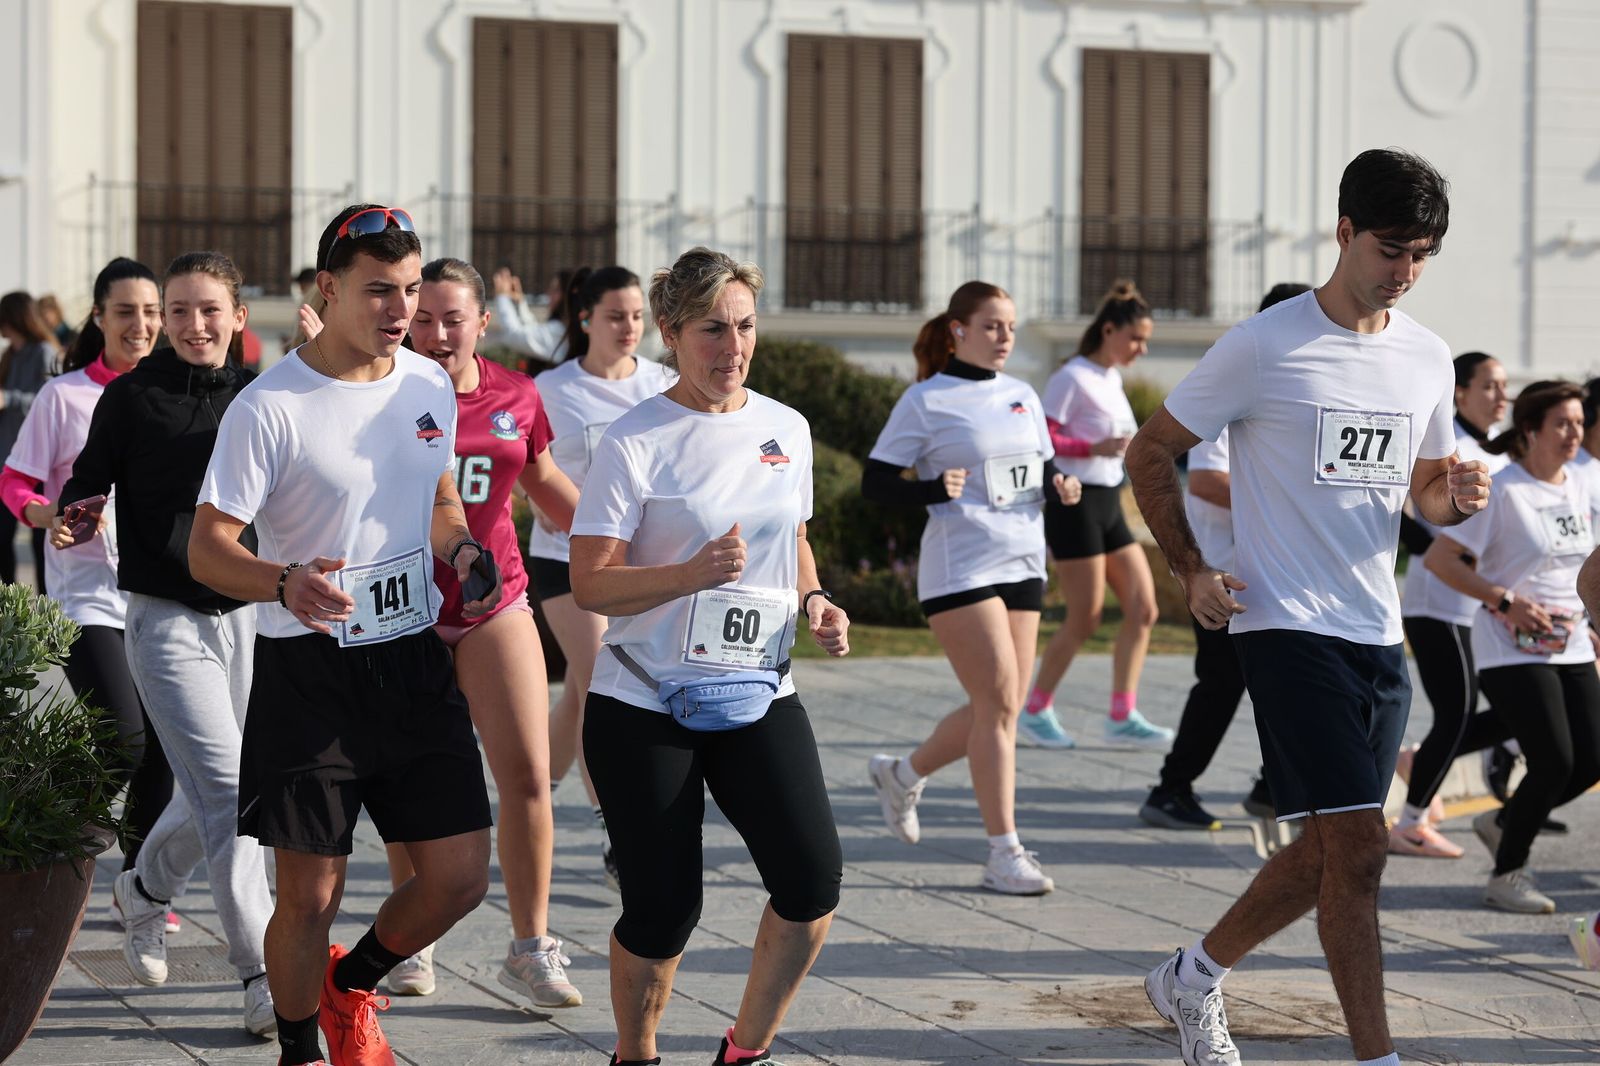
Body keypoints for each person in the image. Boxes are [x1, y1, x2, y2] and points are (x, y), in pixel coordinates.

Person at [1126, 148, 1485, 1066]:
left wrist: (1459, 498)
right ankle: (1378, 1058)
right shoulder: (1265, 344)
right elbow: (1150, 450)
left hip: (1378, 630)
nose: (1404, 271)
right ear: (1344, 234)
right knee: (1361, 851)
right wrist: (1189, 569)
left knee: (1330, 850)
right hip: (1284, 623)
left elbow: (1425, 493)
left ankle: (1192, 975)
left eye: (1422, 255)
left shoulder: (1426, 357)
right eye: (1390, 248)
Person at [189, 204, 498, 1066]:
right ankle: (299, 1049)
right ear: (328, 290)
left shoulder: (429, 384)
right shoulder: (271, 406)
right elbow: (208, 549)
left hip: (411, 658)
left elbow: (440, 500)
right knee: (310, 896)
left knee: (460, 877)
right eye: (379, 292)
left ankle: (349, 984)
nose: (401, 311)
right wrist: (285, 581)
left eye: (410, 290)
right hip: (308, 669)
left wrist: (463, 547)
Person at [569, 246, 849, 1066]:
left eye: (745, 327)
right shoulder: (635, 440)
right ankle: (637, 1054)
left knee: (811, 883)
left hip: (759, 688)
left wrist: (815, 598)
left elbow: (790, 541)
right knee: (663, 912)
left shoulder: (783, 428)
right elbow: (590, 583)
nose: (733, 348)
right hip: (644, 704)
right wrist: (689, 574)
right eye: (712, 331)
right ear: (671, 333)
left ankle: (746, 1052)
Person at [55, 252, 273, 1034]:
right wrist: (76, 512)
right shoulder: (129, 398)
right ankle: (263, 973)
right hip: (163, 620)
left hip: (249, 617)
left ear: (239, 318)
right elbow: (86, 480)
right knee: (231, 793)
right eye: (177, 311)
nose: (191, 325)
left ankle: (143, 891)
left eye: (208, 309)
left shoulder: (264, 395)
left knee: (229, 786)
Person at [374, 256, 584, 1006]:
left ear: (483, 323)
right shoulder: (379, 394)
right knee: (407, 786)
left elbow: (548, 485)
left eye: (451, 318)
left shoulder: (517, 396)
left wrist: (621, 545)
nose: (435, 333)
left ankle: (531, 946)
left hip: (493, 600)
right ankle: (412, 937)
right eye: (421, 317)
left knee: (527, 774)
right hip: (402, 611)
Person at [861, 280, 1082, 894]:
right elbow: (876, 482)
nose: (1004, 337)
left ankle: (902, 774)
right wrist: (931, 490)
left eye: (1009, 327)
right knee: (1002, 700)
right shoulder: (927, 400)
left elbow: (1039, 466)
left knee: (1001, 705)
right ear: (958, 330)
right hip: (961, 567)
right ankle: (1003, 852)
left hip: (1022, 562)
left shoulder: (1022, 395)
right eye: (991, 326)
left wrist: (1061, 483)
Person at [0, 258, 176, 900]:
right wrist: (48, 515)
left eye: (152, 311)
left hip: (158, 592)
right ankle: (45, 835)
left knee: (160, 747)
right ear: (98, 317)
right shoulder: (64, 394)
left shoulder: (175, 391)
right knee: (125, 739)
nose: (142, 324)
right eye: (126, 312)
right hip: (85, 596)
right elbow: (15, 479)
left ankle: (139, 886)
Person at [1137, 282, 1310, 832]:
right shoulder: (1240, 377)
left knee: (1284, 682)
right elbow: (1208, 479)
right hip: (1221, 574)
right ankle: (1171, 789)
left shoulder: (1294, 389)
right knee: (1220, 686)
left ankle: (1269, 787)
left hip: (1268, 575)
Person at [1423, 382, 1600, 913]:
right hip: (1510, 646)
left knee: (1591, 758)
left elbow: (1575, 569)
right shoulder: (1505, 490)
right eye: (1562, 424)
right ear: (1531, 431)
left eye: (1578, 423)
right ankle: (1507, 874)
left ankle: (1502, 822)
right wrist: (1505, 601)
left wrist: (1588, 624)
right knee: (1553, 760)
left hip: (1568, 641)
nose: (1574, 434)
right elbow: (1440, 561)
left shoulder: (1576, 487)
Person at [530, 265, 672, 889]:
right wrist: (541, 500)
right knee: (600, 684)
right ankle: (616, 832)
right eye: (617, 316)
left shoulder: (664, 384)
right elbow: (529, 465)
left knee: (579, 695)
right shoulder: (552, 389)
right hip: (564, 558)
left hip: (639, 563)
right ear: (585, 317)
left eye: (639, 316)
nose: (630, 328)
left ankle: (532, 790)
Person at [1024, 280, 1172, 750]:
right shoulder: (1072, 377)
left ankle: (1121, 713)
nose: (1142, 349)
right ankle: (1035, 708)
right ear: (1109, 330)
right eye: (1136, 338)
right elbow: (1041, 440)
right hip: (1075, 504)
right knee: (1084, 617)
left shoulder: (1111, 379)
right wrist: (1093, 447)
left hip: (1108, 502)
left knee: (1143, 608)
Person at [1386, 352, 1513, 858]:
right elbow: (1395, 507)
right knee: (1457, 712)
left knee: (1503, 713)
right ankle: (1411, 822)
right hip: (1437, 602)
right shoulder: (1444, 443)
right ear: (1460, 393)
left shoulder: (1493, 450)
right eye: (1490, 386)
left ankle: (1418, 763)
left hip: (1478, 609)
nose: (1501, 396)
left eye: (1504, 387)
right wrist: (1436, 554)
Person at [0, 291, 62, 590]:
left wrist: (8, 398)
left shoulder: (44, 352)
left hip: (37, 464)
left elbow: (47, 398)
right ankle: (9, 607)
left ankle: (45, 615)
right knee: (2, 539)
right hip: (8, 462)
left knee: (41, 545)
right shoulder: (10, 355)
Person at [487, 267, 571, 361]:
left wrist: (502, 296)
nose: (549, 294)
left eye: (556, 290)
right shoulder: (562, 329)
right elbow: (533, 330)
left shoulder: (560, 331)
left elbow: (514, 335)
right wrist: (519, 302)